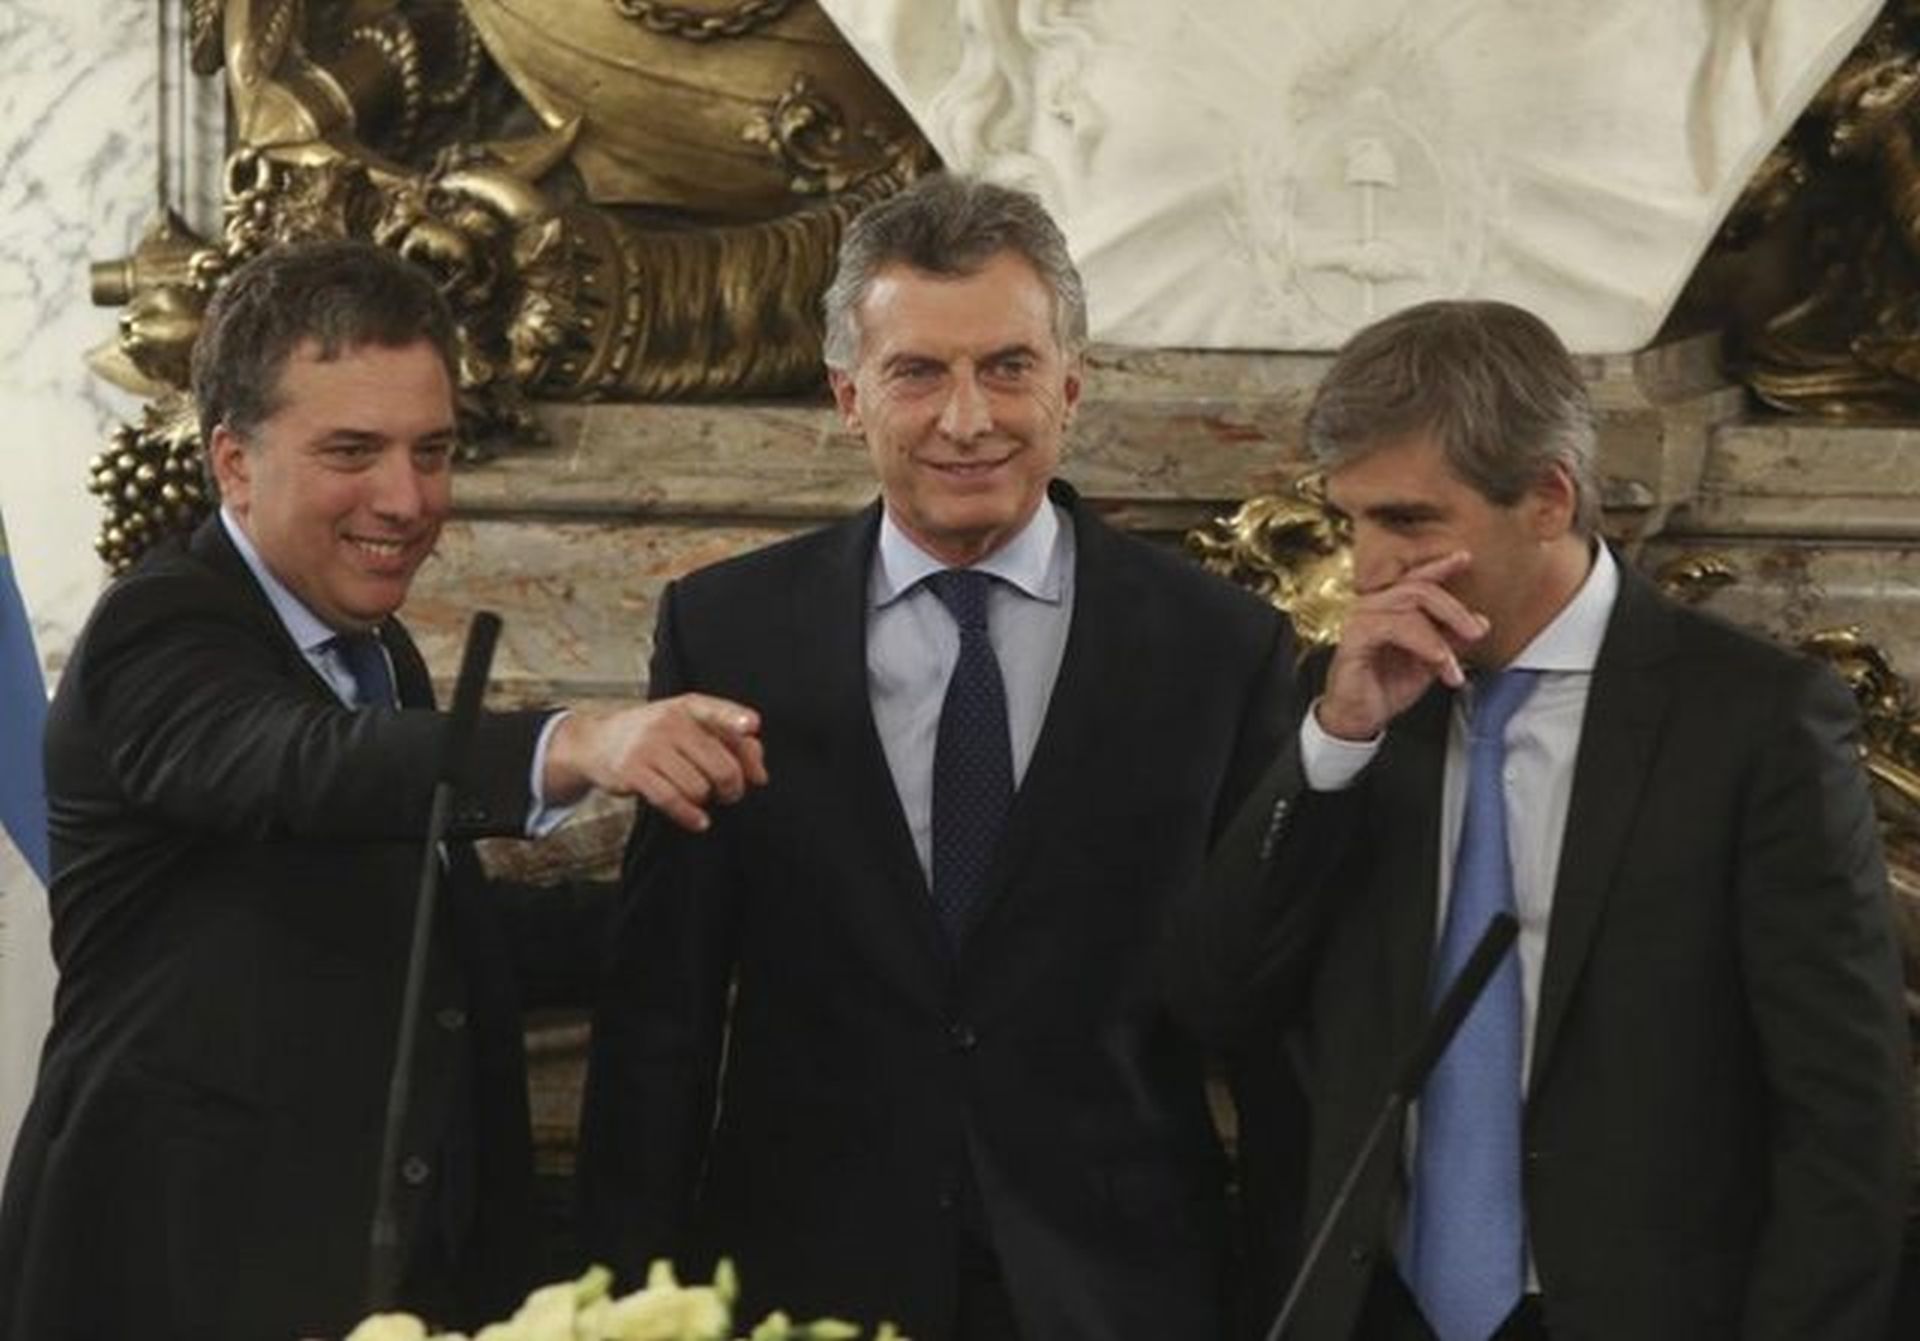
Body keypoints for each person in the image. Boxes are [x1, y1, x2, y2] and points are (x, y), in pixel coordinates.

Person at [577, 172, 1300, 1340]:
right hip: (804, 1284)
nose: (968, 419)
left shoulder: (1220, 646)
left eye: (1008, 367)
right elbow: (663, 1014)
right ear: (848, 396)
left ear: (1071, 384)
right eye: (918, 371)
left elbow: (1270, 1024)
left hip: (1119, 1291)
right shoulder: (727, 632)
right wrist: (614, 1299)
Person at [0, 239, 766, 1341]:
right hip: (176, 1280)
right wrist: (577, 741)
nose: (406, 500)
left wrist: (731, 915)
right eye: (352, 451)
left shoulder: (376, 650)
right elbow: (298, 763)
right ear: (233, 462)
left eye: (432, 451)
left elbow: (419, 927)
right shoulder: (157, 627)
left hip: (391, 1283)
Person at [1165, 299, 1912, 1340]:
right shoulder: (1351, 704)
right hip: (1378, 1307)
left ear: (1549, 499)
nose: (1371, 567)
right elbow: (1215, 997)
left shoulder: (1754, 724)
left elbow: (1847, 1117)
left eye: (1410, 522)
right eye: (1354, 521)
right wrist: (1335, 745)